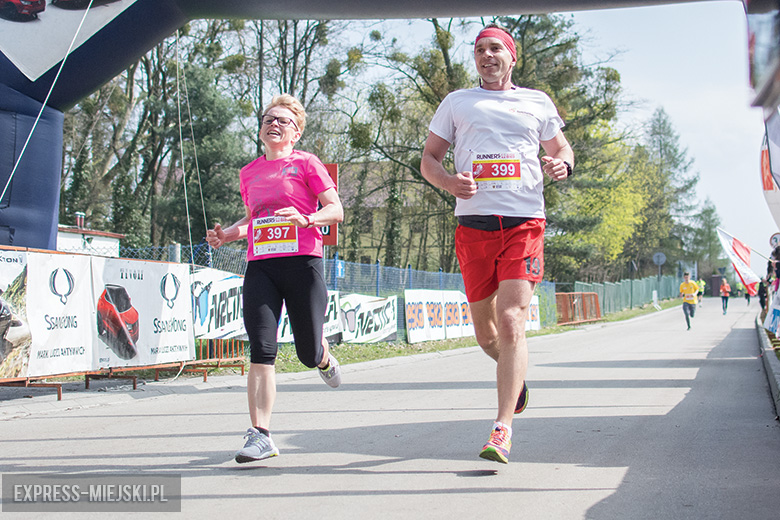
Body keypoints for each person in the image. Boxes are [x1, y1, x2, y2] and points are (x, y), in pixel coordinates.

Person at [420, 24, 574, 464]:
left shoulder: (537, 102)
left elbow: (563, 150)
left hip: (525, 221)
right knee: (486, 334)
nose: (487, 56)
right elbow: (429, 159)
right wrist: (449, 181)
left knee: (511, 322)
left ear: (512, 56)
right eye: (480, 50)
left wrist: (561, 165)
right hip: (474, 225)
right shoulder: (457, 102)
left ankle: (502, 427)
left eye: (495, 49)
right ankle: (516, 380)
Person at [206, 93, 344, 463]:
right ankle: (260, 434)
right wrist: (227, 235)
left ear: (296, 132)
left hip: (302, 264)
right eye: (269, 118)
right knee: (262, 349)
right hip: (262, 266)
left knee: (306, 353)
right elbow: (255, 219)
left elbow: (336, 210)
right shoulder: (249, 173)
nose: (274, 123)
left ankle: (323, 355)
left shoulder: (307, 164)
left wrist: (309, 219)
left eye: (283, 120)